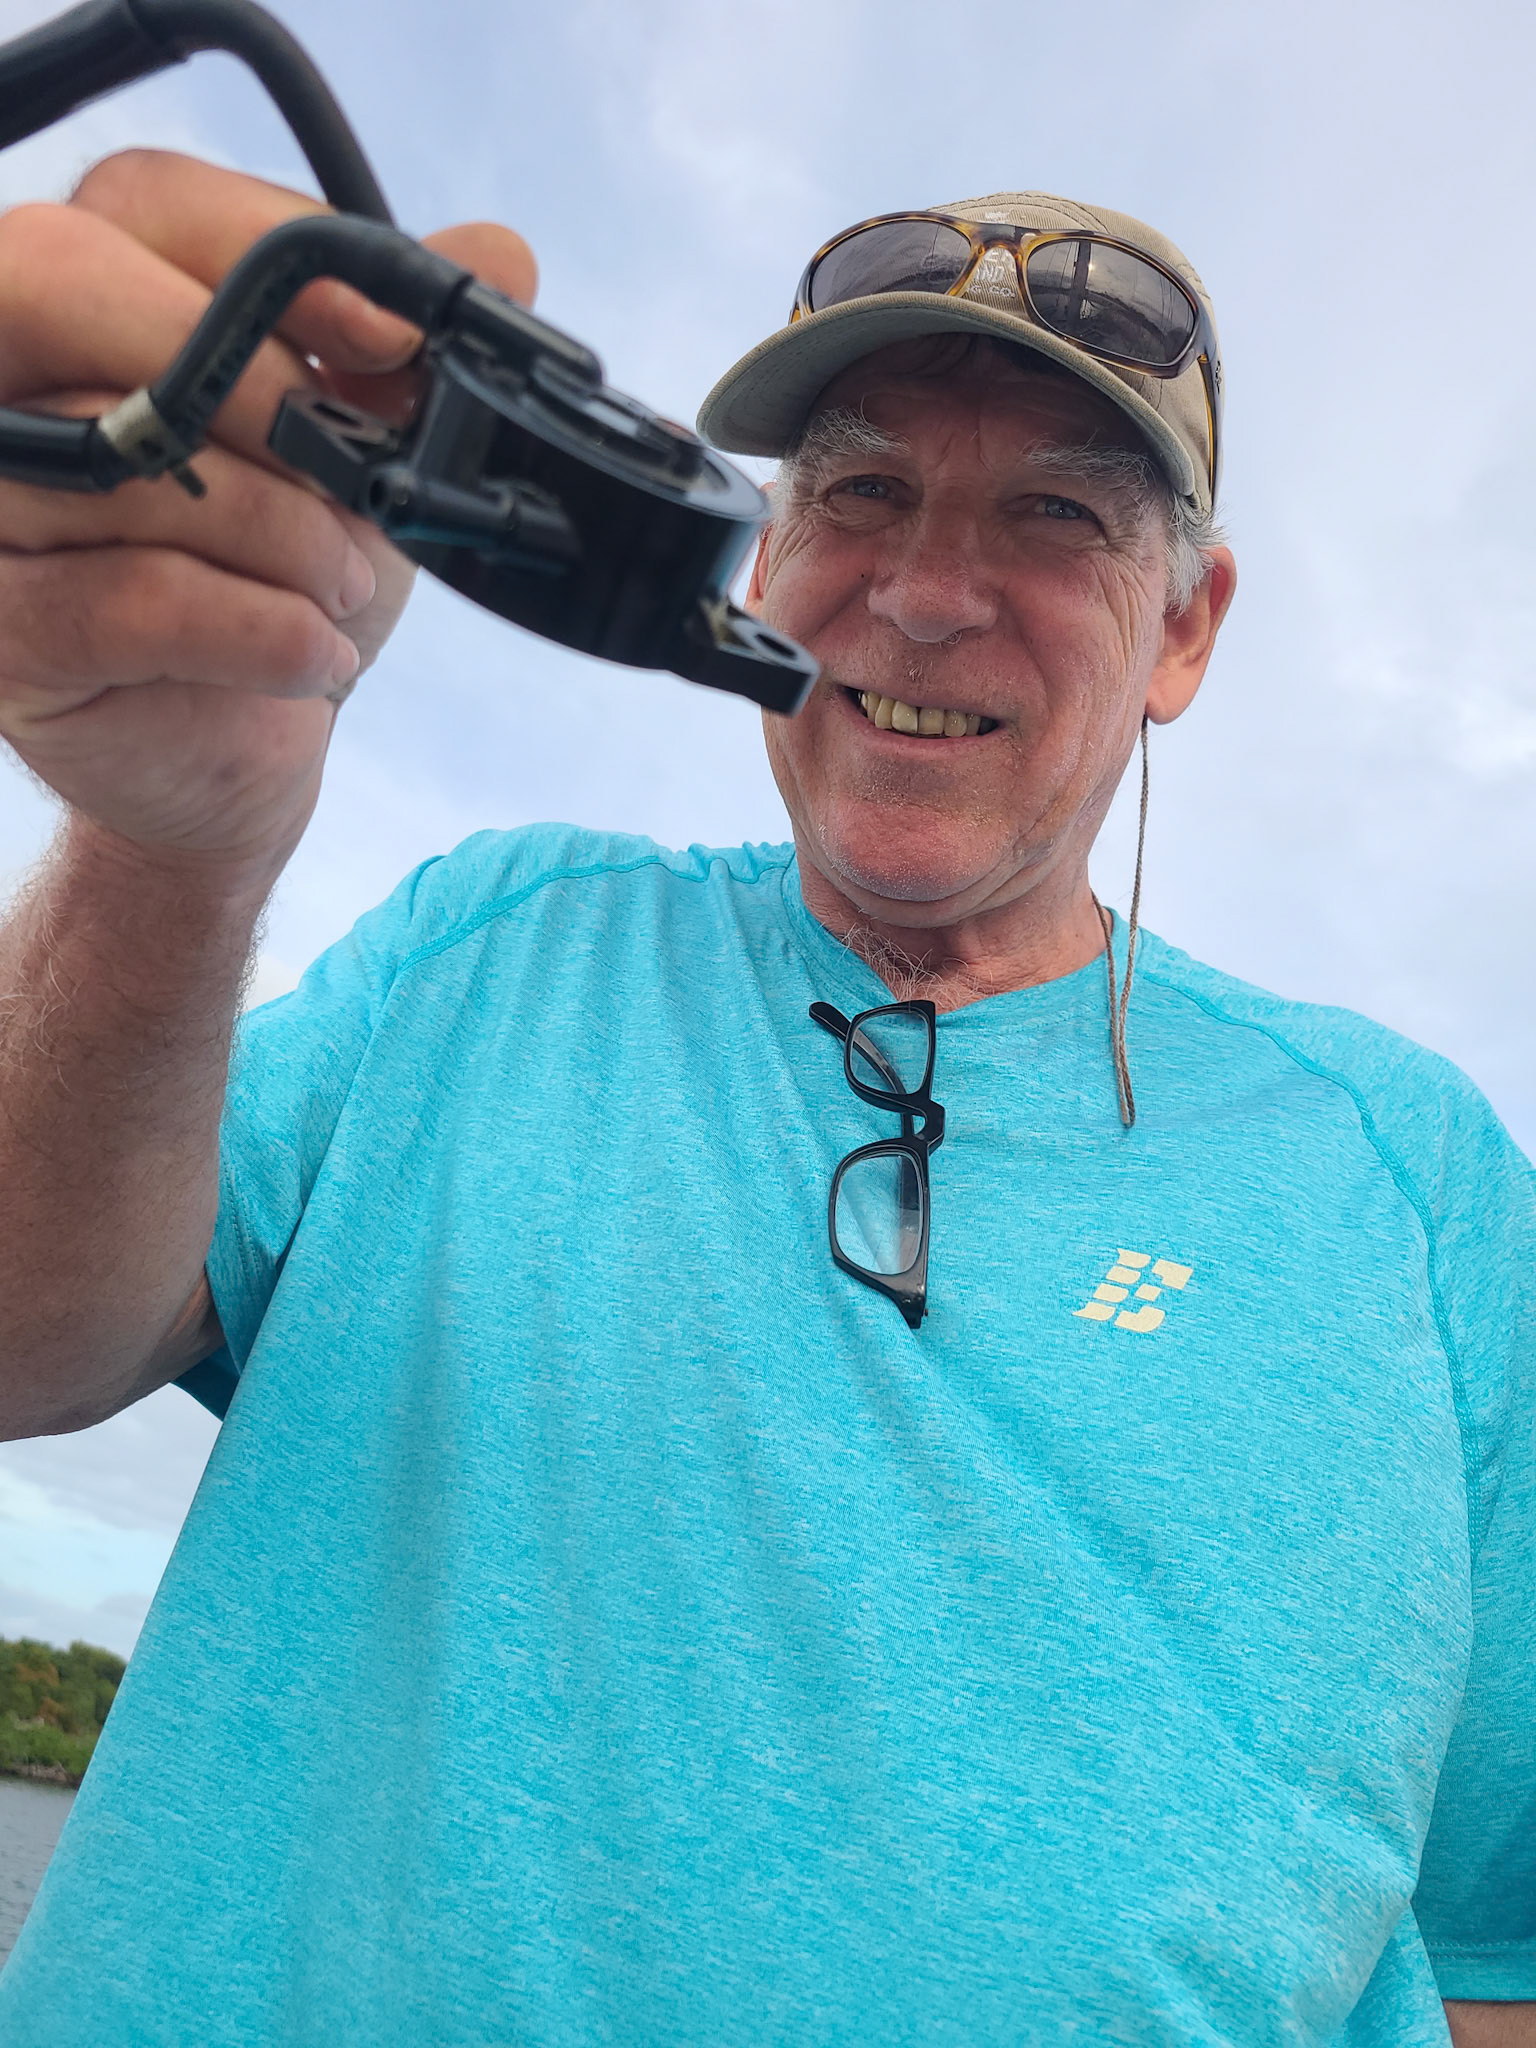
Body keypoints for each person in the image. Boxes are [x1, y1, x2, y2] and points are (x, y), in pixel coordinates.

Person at [0, 153, 1530, 2048]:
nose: (930, 591)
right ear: (762, 560)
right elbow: (27, 1334)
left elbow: (1502, 1951)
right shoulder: (486, 945)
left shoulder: (1421, 1180)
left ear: (1186, 631)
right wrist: (169, 849)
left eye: (1057, 513)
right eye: (861, 490)